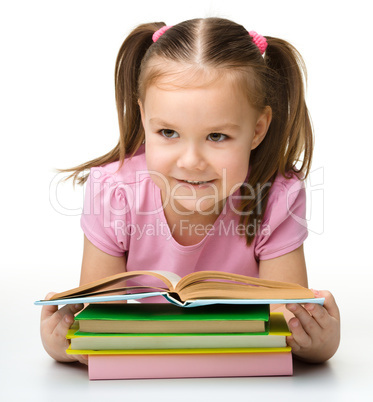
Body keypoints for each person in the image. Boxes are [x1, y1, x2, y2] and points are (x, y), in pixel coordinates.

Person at [40, 17, 340, 366]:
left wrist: (319, 343)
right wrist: (65, 343)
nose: (191, 161)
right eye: (168, 132)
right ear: (144, 115)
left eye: (217, 136)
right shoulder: (113, 191)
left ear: (257, 130)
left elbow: (284, 327)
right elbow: (101, 325)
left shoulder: (277, 196)